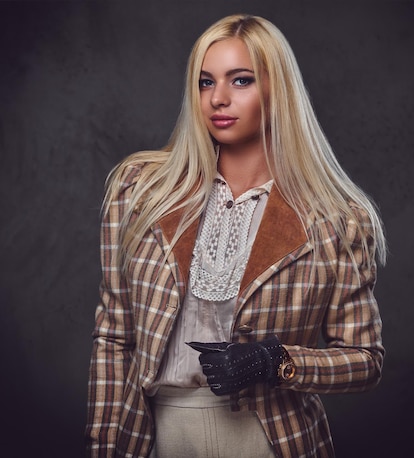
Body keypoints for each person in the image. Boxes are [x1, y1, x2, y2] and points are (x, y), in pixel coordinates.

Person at [85, 13, 387, 458]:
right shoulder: (140, 191)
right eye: (206, 82)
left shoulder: (337, 220)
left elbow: (365, 359)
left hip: (270, 439)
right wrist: (106, 448)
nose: (218, 99)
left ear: (276, 90)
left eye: (240, 80)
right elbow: (114, 338)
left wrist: (276, 360)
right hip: (163, 434)